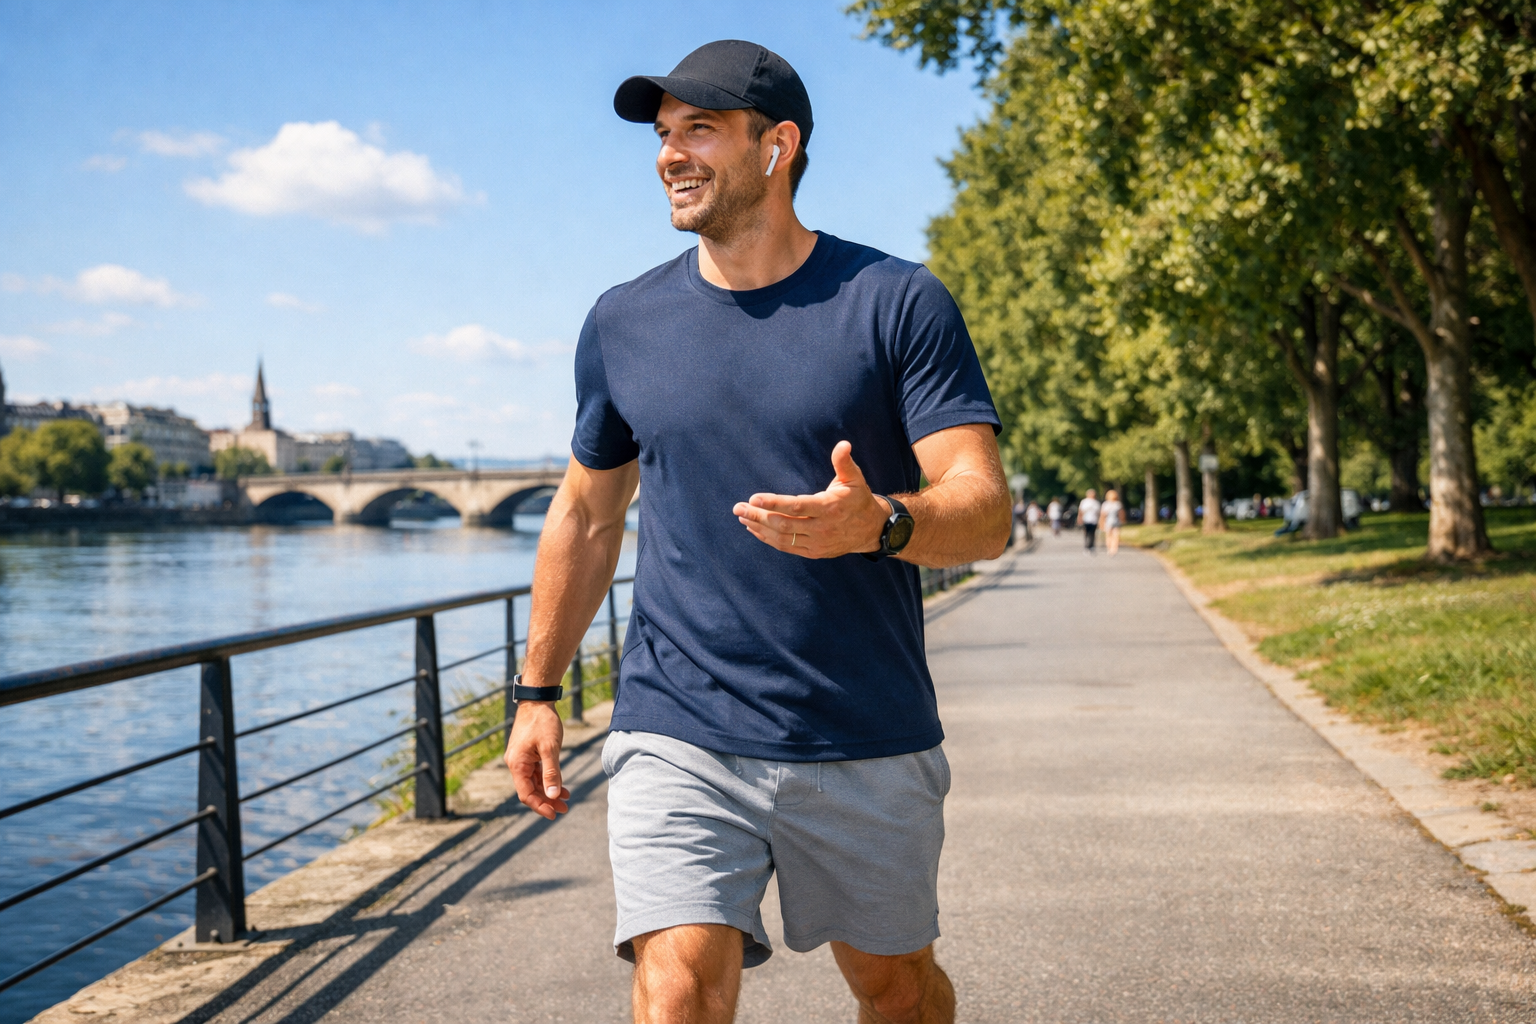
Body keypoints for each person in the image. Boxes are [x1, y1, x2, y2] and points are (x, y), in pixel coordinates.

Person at [502, 40, 1010, 1024]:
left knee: (896, 988)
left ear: (777, 147)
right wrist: (534, 692)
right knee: (678, 987)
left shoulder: (899, 303)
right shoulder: (623, 322)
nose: (669, 155)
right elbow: (585, 511)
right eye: (662, 135)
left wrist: (885, 523)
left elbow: (983, 506)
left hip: (861, 722)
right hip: (679, 723)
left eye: (699, 130)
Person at [1101, 488, 1123, 555]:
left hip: (1109, 522)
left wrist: (1101, 522)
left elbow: (1103, 515)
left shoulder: (1106, 504)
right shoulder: (1118, 504)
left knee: (1109, 536)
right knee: (1115, 536)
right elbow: (1121, 514)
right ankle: (1113, 548)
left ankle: (1110, 548)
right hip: (1115, 521)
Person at [1079, 488, 1102, 552]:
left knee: (1092, 533)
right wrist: (1080, 519)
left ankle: (1091, 545)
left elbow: (1099, 512)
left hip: (1094, 520)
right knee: (1086, 533)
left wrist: (1100, 520)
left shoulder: (1096, 503)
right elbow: (1081, 511)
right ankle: (1086, 545)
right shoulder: (1084, 502)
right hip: (1086, 520)